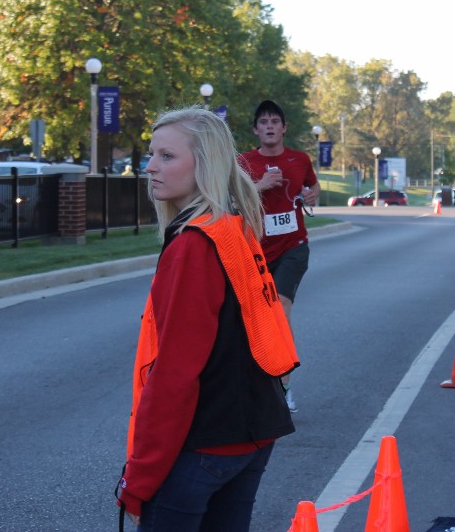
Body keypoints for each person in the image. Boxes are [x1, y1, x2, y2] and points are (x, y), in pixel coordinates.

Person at [117, 107, 298, 532]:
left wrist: (139, 479)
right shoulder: (231, 228)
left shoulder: (192, 246)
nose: (150, 167)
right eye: (151, 155)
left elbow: (176, 373)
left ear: (205, 164)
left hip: (205, 445)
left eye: (167, 156)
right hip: (252, 431)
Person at [238, 100, 319, 412]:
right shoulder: (243, 162)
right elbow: (230, 196)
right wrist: (259, 185)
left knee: (280, 309)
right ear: (256, 130)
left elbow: (312, 185)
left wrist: (314, 193)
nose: (269, 126)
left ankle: (284, 386)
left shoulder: (299, 159)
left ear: (284, 127)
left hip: (293, 247)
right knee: (255, 320)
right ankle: (259, 380)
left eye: (275, 121)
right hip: (255, 250)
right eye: (263, 122)